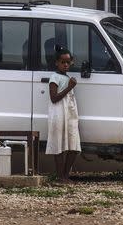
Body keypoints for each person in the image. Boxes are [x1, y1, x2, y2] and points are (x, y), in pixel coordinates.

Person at [46, 48, 81, 183]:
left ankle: (66, 175)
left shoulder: (67, 78)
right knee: (59, 146)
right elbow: (54, 98)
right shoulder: (54, 77)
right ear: (57, 63)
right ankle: (61, 177)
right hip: (59, 114)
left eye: (68, 62)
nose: (65, 65)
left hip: (70, 115)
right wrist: (69, 87)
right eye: (62, 62)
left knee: (74, 146)